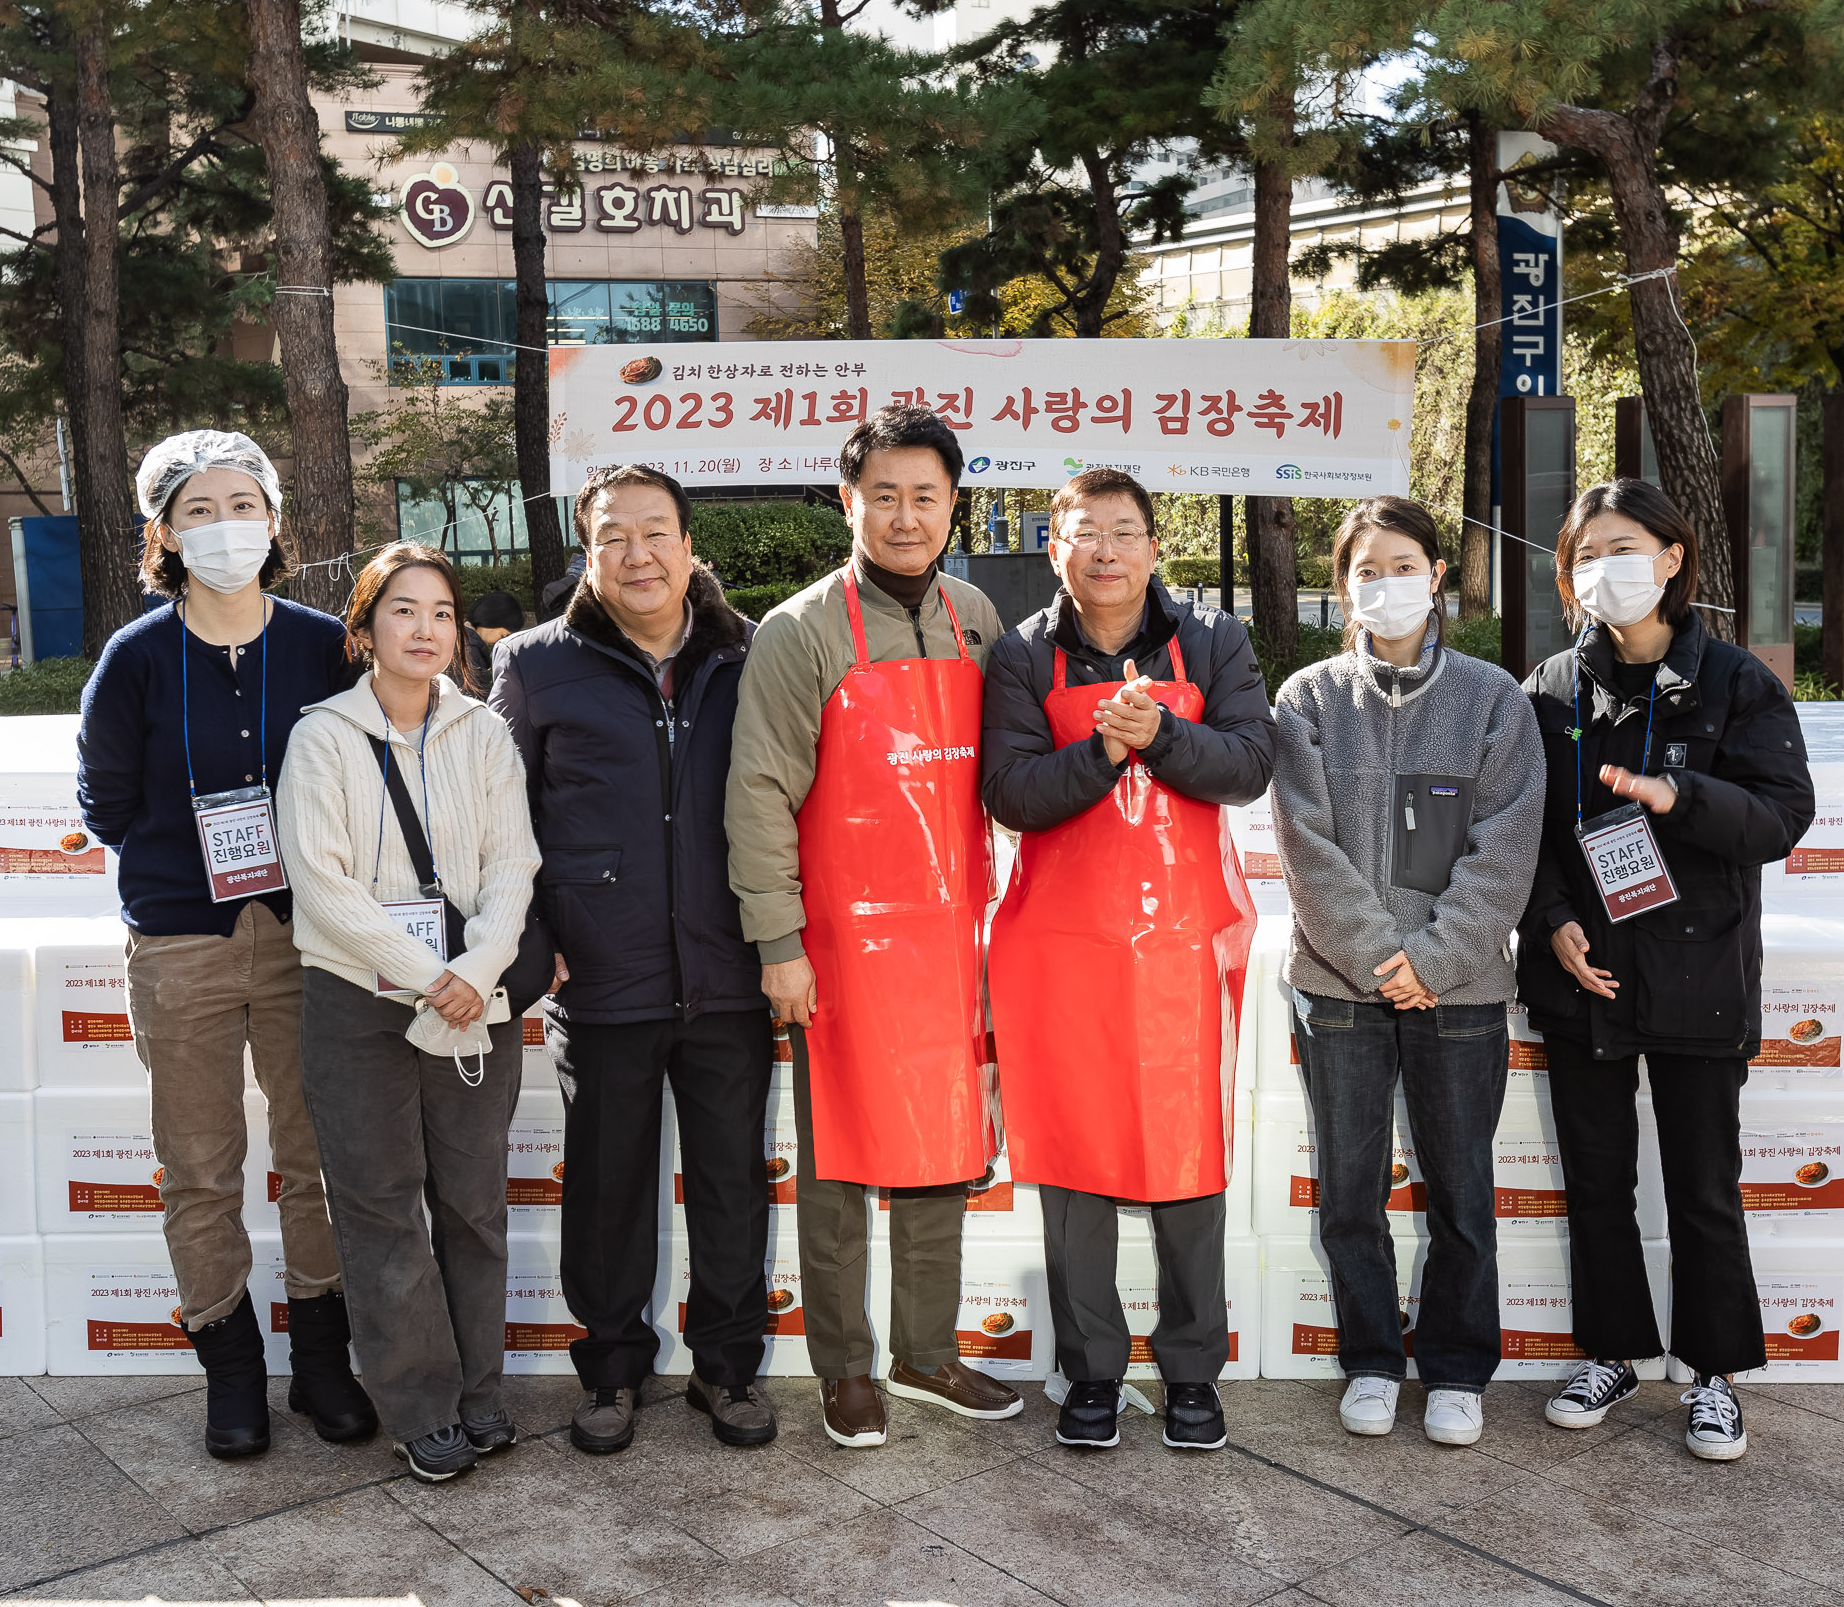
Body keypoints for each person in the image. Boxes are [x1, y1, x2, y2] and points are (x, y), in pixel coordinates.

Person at [76, 429, 374, 1461]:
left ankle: (326, 1361)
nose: (223, 524)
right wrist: (190, 852)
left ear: (275, 519)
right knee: (199, 1165)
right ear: (163, 531)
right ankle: (233, 1370)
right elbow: (104, 801)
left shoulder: (321, 642)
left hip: (310, 937)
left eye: (241, 503)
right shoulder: (137, 657)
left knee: (319, 1157)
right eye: (197, 509)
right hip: (182, 940)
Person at [726, 405, 1017, 1449]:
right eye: (883, 494)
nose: (904, 515)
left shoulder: (976, 618)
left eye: (924, 496)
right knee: (841, 1156)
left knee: (945, 1140)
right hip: (839, 946)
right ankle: (846, 1365)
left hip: (952, 938)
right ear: (847, 501)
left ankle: (927, 1350)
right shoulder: (802, 629)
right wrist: (779, 943)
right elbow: (758, 790)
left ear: (951, 506)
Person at [1517, 478, 1813, 1462]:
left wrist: (1679, 793)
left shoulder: (1737, 682)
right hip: (1586, 970)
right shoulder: (1550, 687)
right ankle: (1611, 1349)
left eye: (1626, 546)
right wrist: (1550, 918)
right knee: (1597, 1180)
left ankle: (1713, 1371)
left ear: (1674, 556)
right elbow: (1519, 831)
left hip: (1698, 967)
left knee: (1701, 1181)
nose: (1608, 568)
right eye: (1588, 552)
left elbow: (1779, 816)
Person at [981, 468, 1272, 1450]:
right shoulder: (1023, 657)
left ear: (1154, 546)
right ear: (1053, 546)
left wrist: (1165, 736)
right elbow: (1011, 793)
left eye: (1123, 531)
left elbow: (1248, 763)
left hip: (1185, 944)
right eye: (1082, 532)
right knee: (1073, 1162)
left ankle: (1192, 1370)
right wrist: (1103, 754)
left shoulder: (1215, 639)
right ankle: (1091, 1371)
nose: (1104, 549)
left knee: (1185, 1160)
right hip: (1060, 948)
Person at [488, 466, 773, 1457]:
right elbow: (500, 825)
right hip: (601, 977)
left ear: (691, 544)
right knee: (606, 1189)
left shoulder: (752, 655)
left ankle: (728, 1370)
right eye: (615, 535)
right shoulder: (533, 665)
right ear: (588, 549)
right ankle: (610, 1370)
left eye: (656, 532)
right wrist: (539, 949)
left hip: (730, 969)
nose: (638, 553)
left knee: (732, 1181)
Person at [1271, 495, 1546, 1449]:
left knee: (1463, 1188)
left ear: (1438, 574)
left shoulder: (1493, 698)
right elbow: (1305, 847)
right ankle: (1374, 1360)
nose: (1385, 583)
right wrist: (1380, 961)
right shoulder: (1306, 699)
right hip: (1339, 990)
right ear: (1342, 588)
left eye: (1403, 564)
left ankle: (1460, 1367)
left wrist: (1429, 961)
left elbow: (1505, 846)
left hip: (1460, 990)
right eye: (1364, 568)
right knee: (1352, 1192)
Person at [276, 541, 541, 1485]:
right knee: (381, 1209)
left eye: (439, 611)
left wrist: (477, 965)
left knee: (473, 1206)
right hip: (358, 1002)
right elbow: (323, 883)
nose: (424, 628)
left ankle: (478, 1391)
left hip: (478, 995)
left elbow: (515, 865)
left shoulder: (484, 732)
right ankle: (420, 1406)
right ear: (362, 631)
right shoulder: (322, 738)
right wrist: (434, 976)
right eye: (401, 611)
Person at [463, 590, 525, 694]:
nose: (500, 641)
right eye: (503, 635)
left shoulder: (462, 639)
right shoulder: (470, 650)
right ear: (490, 621)